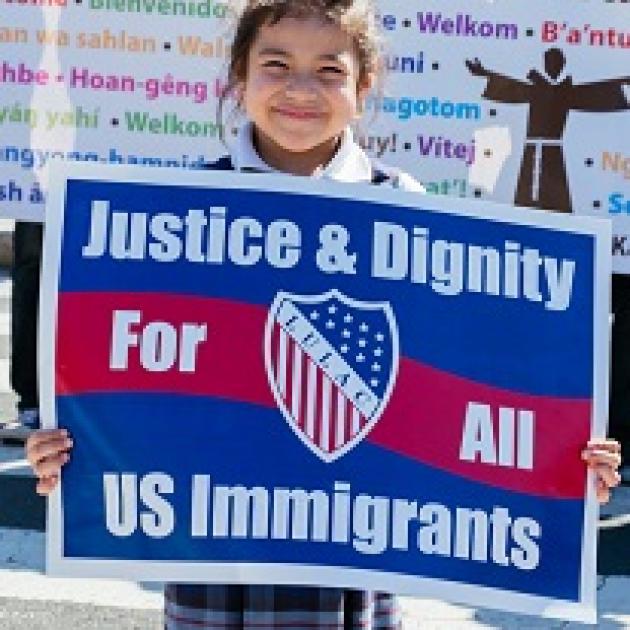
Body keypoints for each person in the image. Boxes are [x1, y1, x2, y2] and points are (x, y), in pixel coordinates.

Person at [26, 1, 622, 628]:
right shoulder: (178, 217)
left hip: (356, 572)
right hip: (215, 572)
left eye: (329, 71)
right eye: (275, 64)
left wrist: (564, 468)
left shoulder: (410, 213)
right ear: (240, 78)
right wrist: (72, 448)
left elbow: (467, 380)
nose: (300, 89)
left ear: (363, 89)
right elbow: (138, 376)